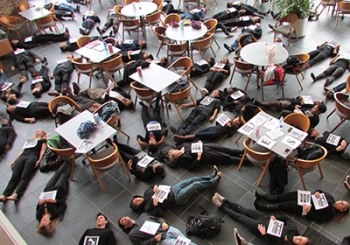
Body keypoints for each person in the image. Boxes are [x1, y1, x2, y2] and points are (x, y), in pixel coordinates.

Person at [212, 193, 311, 245]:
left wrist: (264, 234)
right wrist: (275, 217)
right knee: (244, 209)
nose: (299, 239)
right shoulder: (293, 229)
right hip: (264, 218)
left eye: (301, 241)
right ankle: (225, 200)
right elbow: (286, 219)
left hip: (259, 228)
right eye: (302, 238)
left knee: (240, 217)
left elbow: (271, 243)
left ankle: (221, 206)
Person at [129, 169, 221, 215]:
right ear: (138, 206)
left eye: (135, 198)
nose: (137, 199)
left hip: (173, 189)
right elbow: (159, 214)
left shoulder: (146, 193)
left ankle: (211, 176)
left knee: (194, 179)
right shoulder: (148, 208)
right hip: (177, 198)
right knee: (195, 185)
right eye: (136, 203)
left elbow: (152, 186)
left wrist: (155, 188)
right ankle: (213, 182)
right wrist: (156, 204)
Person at [0, 129, 48, 202]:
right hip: (23, 156)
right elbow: (22, 151)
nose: (37, 132)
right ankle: (4, 194)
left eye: (40, 131)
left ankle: (16, 194)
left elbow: (42, 150)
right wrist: (14, 160)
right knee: (15, 175)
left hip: (32, 157)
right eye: (37, 131)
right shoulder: (29, 141)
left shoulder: (42, 141)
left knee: (25, 175)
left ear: (42, 134)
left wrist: (39, 160)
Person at [254, 190, 349, 223]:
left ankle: (265, 206)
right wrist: (317, 193)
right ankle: (264, 196)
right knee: (285, 196)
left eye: (342, 205)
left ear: (341, 210)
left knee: (285, 205)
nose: (340, 202)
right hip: (306, 197)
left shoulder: (331, 213)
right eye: (342, 201)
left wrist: (309, 211)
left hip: (306, 207)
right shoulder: (331, 197)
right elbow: (319, 191)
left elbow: (319, 219)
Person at [36, 161, 71, 235]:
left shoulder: (38, 216)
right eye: (44, 222)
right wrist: (54, 201)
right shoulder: (56, 213)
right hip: (58, 192)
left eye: (41, 222)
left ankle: (66, 162)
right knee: (63, 177)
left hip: (47, 191)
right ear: (49, 222)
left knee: (57, 174)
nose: (43, 220)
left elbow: (38, 207)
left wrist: (40, 203)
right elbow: (63, 204)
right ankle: (70, 165)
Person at [119, 213, 197, 245]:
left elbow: (156, 218)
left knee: (188, 242)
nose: (124, 218)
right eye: (122, 221)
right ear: (125, 227)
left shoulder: (143, 215)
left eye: (124, 217)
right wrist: (154, 239)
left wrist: (163, 222)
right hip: (162, 239)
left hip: (167, 229)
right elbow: (142, 244)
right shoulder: (132, 234)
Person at [167, 141, 243, 170]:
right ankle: (244, 160)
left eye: (176, 152)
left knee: (226, 149)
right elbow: (191, 167)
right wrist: (198, 158)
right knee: (224, 157)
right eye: (177, 155)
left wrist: (198, 142)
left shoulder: (182, 146)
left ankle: (242, 152)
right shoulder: (183, 160)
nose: (178, 153)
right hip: (205, 155)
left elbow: (190, 144)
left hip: (206, 146)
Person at [173, 115, 241, 143]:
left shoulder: (234, 127)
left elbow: (230, 134)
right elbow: (217, 123)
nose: (237, 120)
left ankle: (182, 138)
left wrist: (229, 127)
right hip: (213, 128)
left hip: (216, 133)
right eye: (237, 118)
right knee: (199, 133)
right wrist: (219, 119)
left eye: (238, 121)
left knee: (198, 135)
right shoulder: (229, 120)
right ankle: (182, 140)